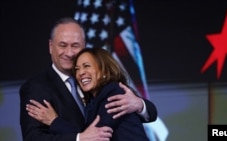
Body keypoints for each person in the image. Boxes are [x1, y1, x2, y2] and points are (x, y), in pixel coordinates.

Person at [19, 17, 157, 141]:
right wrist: (78, 138)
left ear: (84, 46)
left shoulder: (103, 86)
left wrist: (139, 104)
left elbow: (97, 133)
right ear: (51, 46)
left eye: (75, 45)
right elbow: (33, 138)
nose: (69, 53)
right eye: (62, 45)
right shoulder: (36, 87)